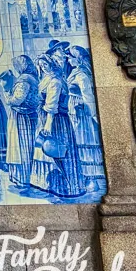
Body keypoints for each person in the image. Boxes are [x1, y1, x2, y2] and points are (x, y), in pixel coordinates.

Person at [30, 54, 85, 199]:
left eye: (45, 64)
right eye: (41, 65)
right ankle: (50, 185)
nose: (43, 67)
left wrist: (48, 124)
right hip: (47, 118)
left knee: (56, 150)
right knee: (47, 151)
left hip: (56, 121)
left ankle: (66, 187)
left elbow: (52, 105)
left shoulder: (55, 81)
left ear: (52, 64)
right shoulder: (46, 78)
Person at [66, 45, 104, 192]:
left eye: (70, 58)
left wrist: (93, 115)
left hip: (82, 114)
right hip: (74, 112)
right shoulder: (75, 72)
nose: (68, 60)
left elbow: (88, 96)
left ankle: (92, 180)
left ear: (78, 60)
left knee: (85, 143)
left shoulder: (82, 75)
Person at [5, 55, 40, 191]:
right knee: (26, 146)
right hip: (29, 114)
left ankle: (23, 179)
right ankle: (26, 178)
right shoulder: (33, 78)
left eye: (16, 65)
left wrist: (8, 97)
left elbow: (17, 99)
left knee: (22, 147)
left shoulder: (24, 80)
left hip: (21, 116)